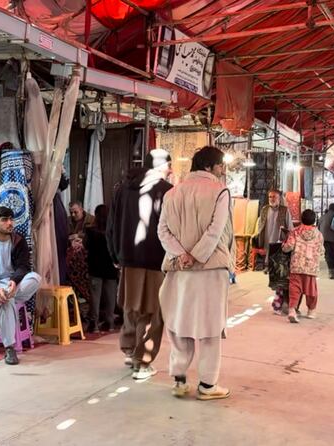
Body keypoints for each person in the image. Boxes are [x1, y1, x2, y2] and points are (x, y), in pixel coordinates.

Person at [158, 146, 233, 401]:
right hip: (211, 269)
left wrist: (181, 255)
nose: (223, 170)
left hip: (179, 270)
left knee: (180, 325)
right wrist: (197, 254)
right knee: (211, 328)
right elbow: (216, 229)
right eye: (221, 165)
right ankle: (207, 386)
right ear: (211, 166)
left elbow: (162, 231)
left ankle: (179, 380)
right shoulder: (220, 191)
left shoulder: (172, 193)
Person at [107, 149, 173, 380]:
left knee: (131, 304)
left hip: (127, 257)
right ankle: (142, 360)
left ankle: (129, 348)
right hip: (156, 258)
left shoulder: (122, 188)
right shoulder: (166, 191)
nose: (170, 170)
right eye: (168, 165)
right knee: (154, 310)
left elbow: (111, 224)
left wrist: (115, 254)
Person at [0, 206, 42, 366]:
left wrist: (14, 281)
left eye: (11, 219)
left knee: (35, 278)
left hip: (14, 286)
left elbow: (24, 267)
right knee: (5, 301)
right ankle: (10, 348)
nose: (9, 223)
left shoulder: (18, 241)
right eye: (4, 220)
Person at [281, 209, 324, 323]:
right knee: (311, 289)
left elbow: (289, 246)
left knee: (294, 289)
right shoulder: (318, 234)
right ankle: (311, 311)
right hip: (311, 267)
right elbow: (321, 250)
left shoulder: (295, 231)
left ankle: (292, 310)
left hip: (296, 265)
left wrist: (283, 246)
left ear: (301, 218)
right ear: (314, 220)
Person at [253, 189, 294, 310]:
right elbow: (260, 225)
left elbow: (290, 228)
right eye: (270, 197)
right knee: (273, 272)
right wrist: (258, 243)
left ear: (279, 198)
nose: (272, 199)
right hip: (267, 244)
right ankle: (279, 296)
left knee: (279, 272)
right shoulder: (264, 209)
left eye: (274, 197)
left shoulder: (284, 210)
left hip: (279, 245)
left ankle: (279, 297)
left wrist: (289, 242)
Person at [84, 204, 118, 333]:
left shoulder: (91, 231)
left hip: (95, 267)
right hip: (110, 268)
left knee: (95, 297)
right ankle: (110, 323)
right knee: (110, 297)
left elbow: (85, 246)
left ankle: (94, 323)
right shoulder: (114, 231)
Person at [67, 201, 95, 322]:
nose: (73, 215)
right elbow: (65, 235)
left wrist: (81, 238)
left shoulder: (91, 220)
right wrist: (71, 239)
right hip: (72, 255)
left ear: (82, 210)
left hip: (86, 256)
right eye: (71, 212)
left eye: (76, 212)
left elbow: (92, 235)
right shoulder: (67, 221)